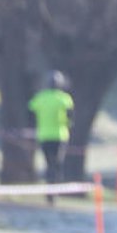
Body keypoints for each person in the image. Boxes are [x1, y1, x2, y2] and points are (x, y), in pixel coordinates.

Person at [28, 70, 74, 205]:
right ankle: (55, 190)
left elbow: (30, 112)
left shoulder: (40, 98)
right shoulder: (64, 99)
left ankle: (50, 190)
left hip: (44, 135)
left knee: (49, 164)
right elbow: (70, 118)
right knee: (58, 164)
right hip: (60, 135)